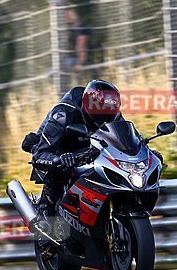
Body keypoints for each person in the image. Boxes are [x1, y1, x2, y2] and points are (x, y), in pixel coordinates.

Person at [21, 80, 123, 229]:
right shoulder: (63, 114)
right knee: (60, 167)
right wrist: (58, 159)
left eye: (109, 109)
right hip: (56, 144)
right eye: (100, 109)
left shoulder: (114, 115)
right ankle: (45, 214)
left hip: (90, 146)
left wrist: (145, 152)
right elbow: (41, 153)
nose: (105, 114)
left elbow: (124, 139)